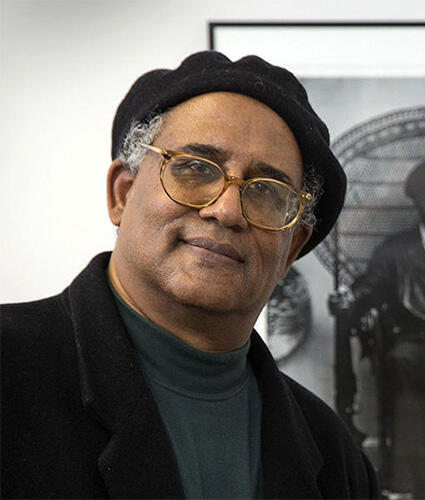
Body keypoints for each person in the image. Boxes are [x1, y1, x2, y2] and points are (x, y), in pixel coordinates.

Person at [1, 51, 378, 499]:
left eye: (266, 191)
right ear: (121, 194)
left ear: (292, 248)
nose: (226, 210)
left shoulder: (334, 456)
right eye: (195, 169)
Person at [349, 159, 425, 498]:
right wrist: (347, 298)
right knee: (404, 362)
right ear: (417, 201)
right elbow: (367, 288)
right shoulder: (396, 249)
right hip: (412, 339)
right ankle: (406, 484)